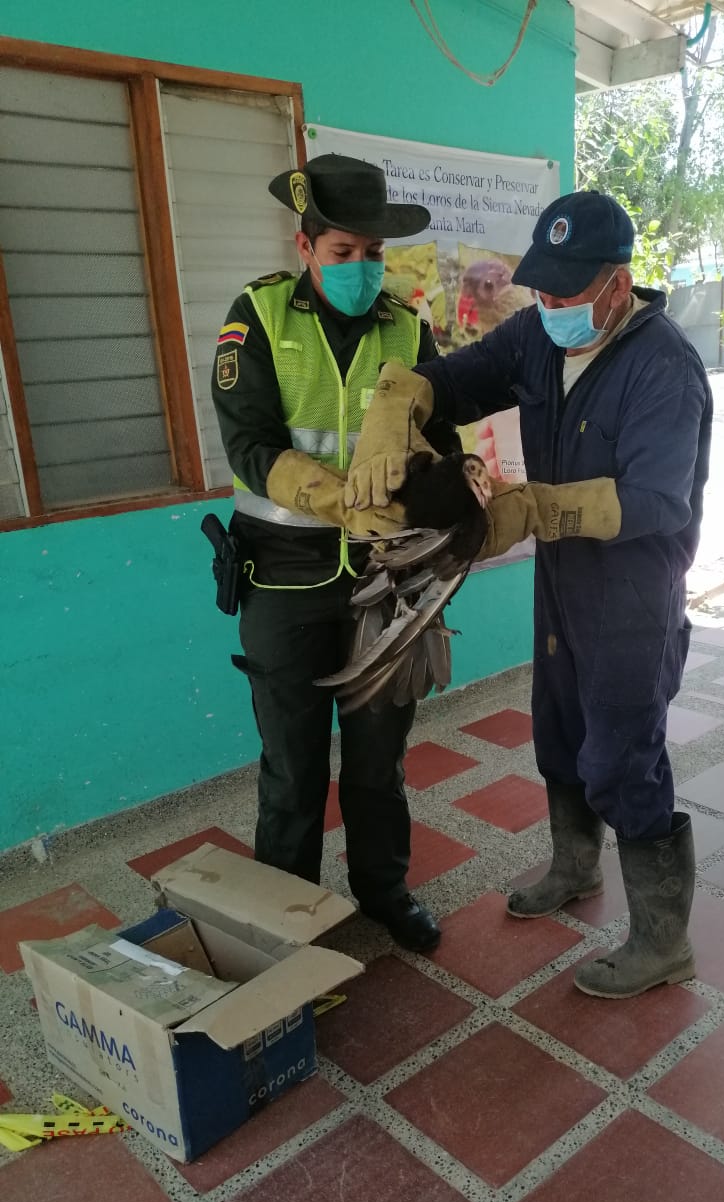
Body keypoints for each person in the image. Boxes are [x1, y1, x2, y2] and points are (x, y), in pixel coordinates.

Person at [348, 190, 712, 997]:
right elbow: (459, 374)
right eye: (541, 291)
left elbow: (660, 502)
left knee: (624, 758)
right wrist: (397, 398)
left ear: (618, 286)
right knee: (559, 732)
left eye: (567, 295)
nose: (548, 308)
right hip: (563, 581)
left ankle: (663, 941)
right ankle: (575, 868)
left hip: (632, 595)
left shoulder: (665, 369)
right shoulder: (540, 335)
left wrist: (536, 508)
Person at [210, 153, 463, 953]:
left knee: (378, 762)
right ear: (306, 247)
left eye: (373, 253)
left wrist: (454, 490)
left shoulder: (406, 326)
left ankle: (383, 891)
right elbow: (248, 444)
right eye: (343, 252)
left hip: (387, 581)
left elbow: (440, 439)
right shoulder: (257, 317)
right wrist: (338, 500)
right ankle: (285, 923)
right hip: (284, 578)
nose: (361, 268)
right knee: (291, 768)